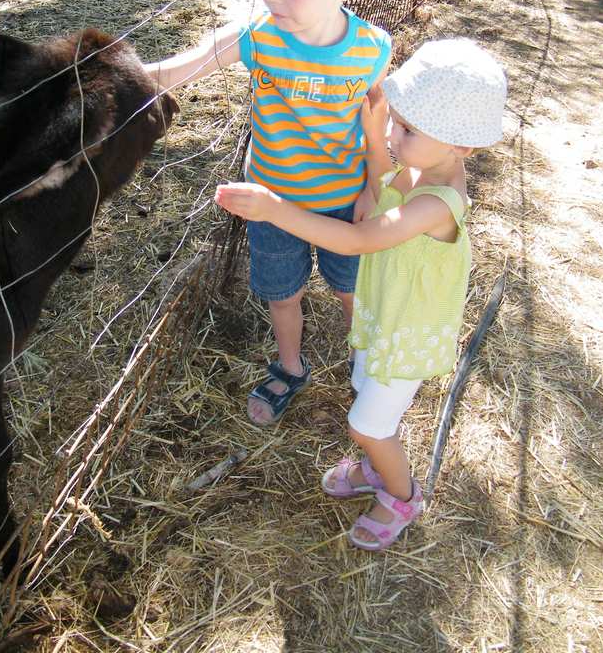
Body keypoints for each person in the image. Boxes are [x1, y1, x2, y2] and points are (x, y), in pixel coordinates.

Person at [215, 38, 507, 550]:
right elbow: (382, 179)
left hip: (407, 336)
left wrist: (273, 209)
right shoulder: (421, 165)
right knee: (363, 393)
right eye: (396, 120)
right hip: (383, 316)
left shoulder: (439, 203)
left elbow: (359, 239)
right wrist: (376, 135)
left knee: (367, 422)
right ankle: (376, 467)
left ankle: (401, 495)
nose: (396, 134)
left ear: (461, 146)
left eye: (407, 129)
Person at [145, 0, 391, 426]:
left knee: (352, 288)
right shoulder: (258, 36)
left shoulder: (373, 50)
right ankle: (290, 364)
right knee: (284, 294)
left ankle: (366, 363)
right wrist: (102, 75)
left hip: (344, 200)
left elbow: (377, 132)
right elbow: (182, 67)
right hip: (269, 199)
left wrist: (374, 189)